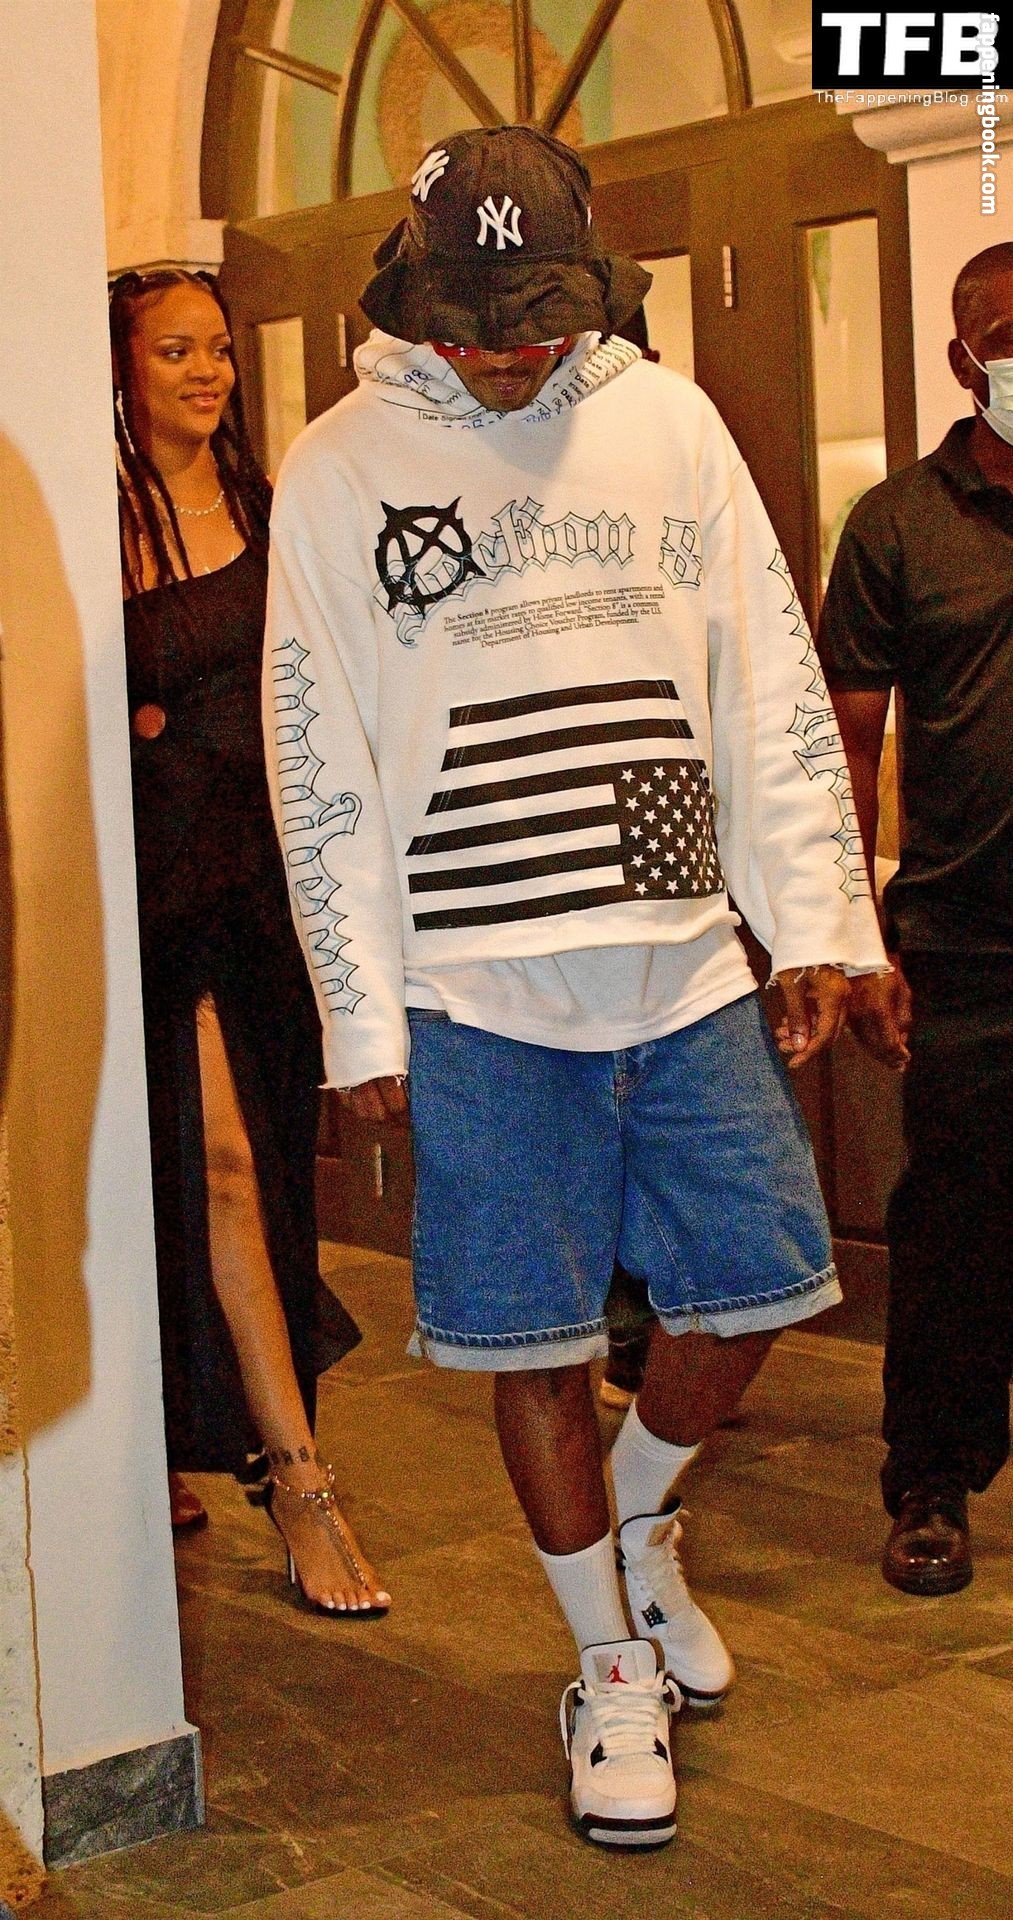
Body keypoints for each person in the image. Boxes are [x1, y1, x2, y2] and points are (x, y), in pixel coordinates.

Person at [263, 128, 886, 1846]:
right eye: (475, 326)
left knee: (755, 1287)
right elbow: (318, 755)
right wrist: (359, 1012)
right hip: (473, 985)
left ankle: (633, 1518)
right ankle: (606, 1664)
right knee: (526, 1337)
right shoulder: (338, 467)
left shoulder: (666, 425)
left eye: (538, 320)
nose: (508, 355)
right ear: (416, 300)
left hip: (678, 960)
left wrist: (815, 921)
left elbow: (763, 677)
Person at [110, 268, 389, 1615]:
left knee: (261, 1180)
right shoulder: (93, 525)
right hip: (150, 899)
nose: (208, 372)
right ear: (121, 370)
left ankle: (169, 1432)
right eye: (176, 350)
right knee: (211, 1168)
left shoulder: (272, 510)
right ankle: (300, 1482)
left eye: (218, 349)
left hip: (271, 895)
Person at [817, 242, 1013, 1598]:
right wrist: (855, 939)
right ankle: (932, 1479)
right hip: (964, 943)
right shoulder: (895, 525)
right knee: (953, 1222)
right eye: (1009, 336)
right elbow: (847, 743)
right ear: (962, 360)